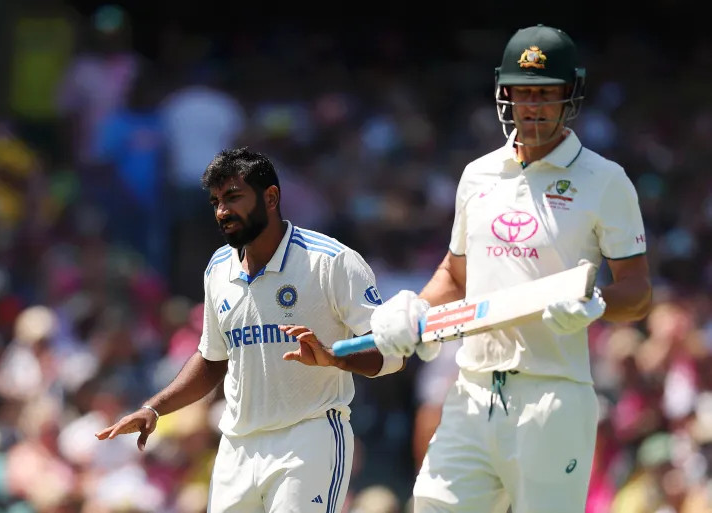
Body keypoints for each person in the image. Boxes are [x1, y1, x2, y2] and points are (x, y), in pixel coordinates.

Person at [369, 24, 652, 513]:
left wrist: (597, 303)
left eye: (547, 93)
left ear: (571, 96)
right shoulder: (477, 175)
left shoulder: (605, 180)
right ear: (505, 95)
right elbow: (455, 276)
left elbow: (640, 291)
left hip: (552, 395)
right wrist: (416, 308)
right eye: (523, 93)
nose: (534, 106)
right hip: (471, 389)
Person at [96, 147, 404, 512]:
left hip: (308, 437)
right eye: (215, 201)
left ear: (271, 197)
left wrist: (334, 357)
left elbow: (391, 352)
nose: (222, 211)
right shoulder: (218, 269)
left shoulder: (331, 261)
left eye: (233, 197)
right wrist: (155, 408)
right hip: (237, 447)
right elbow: (212, 359)